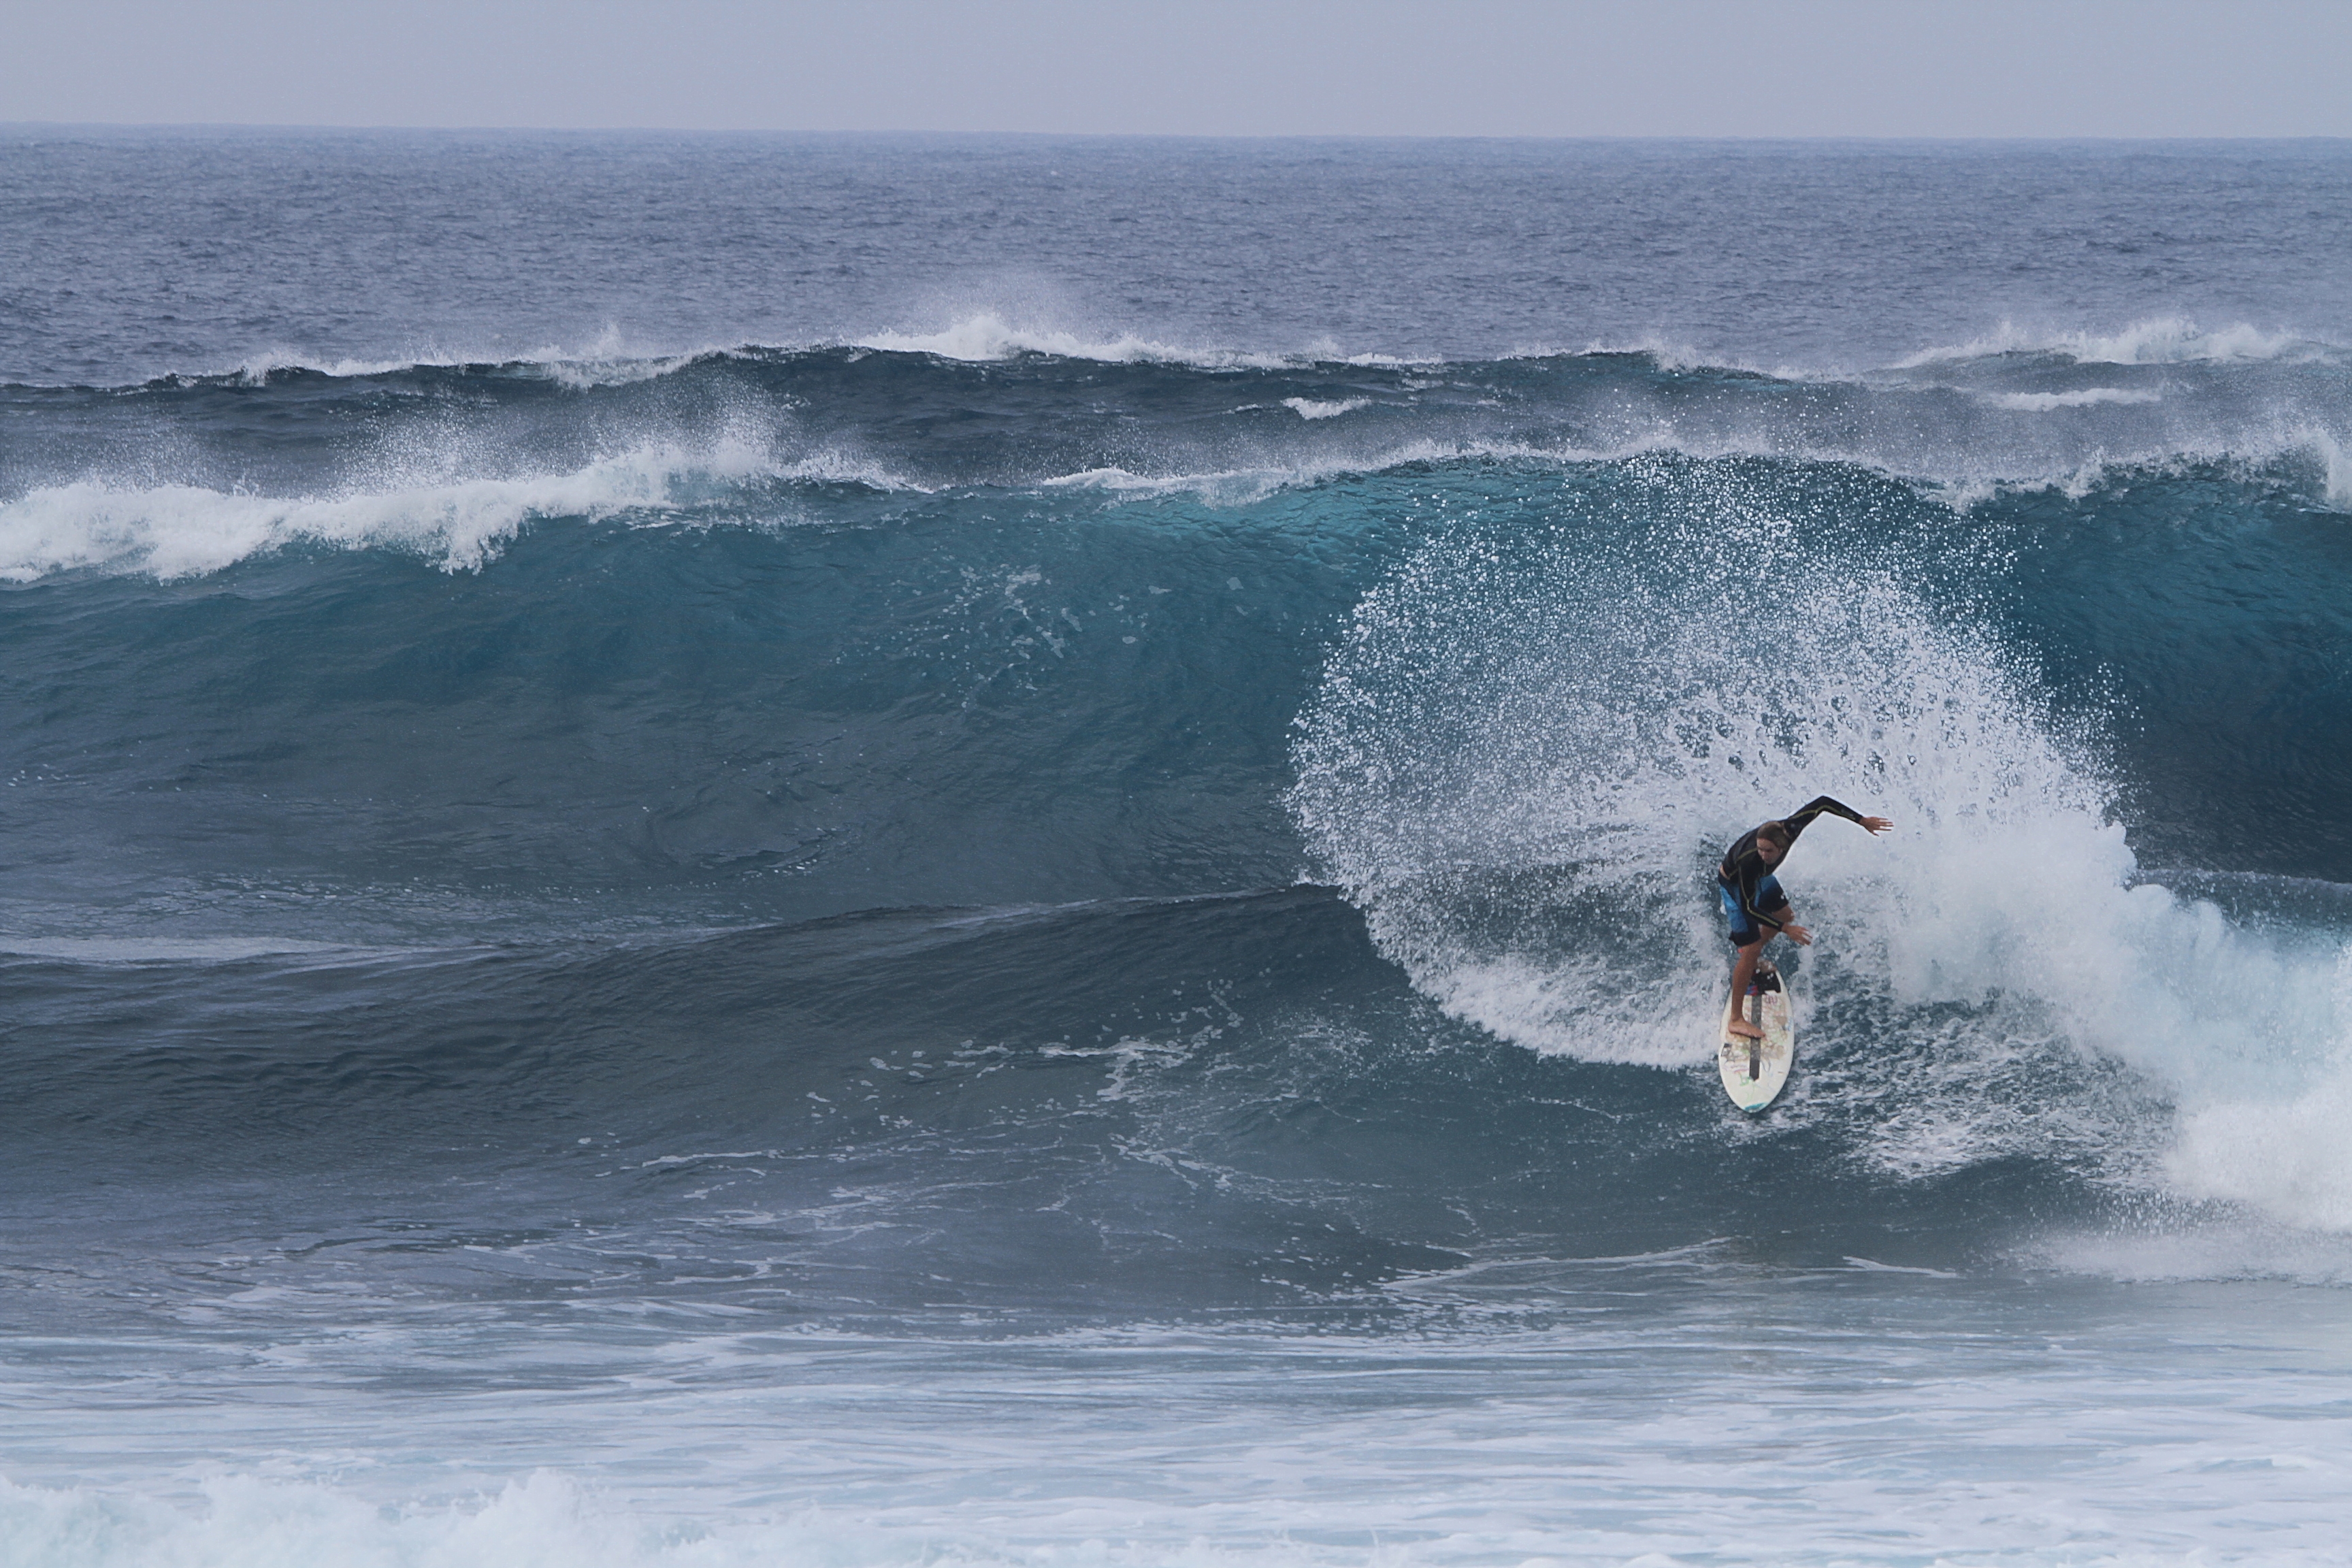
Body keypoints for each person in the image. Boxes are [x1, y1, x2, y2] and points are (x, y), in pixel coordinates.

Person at [1718, 796, 1894, 1039]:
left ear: (1783, 845)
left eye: (1768, 851)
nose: (1763, 854)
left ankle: (1749, 959)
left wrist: (1861, 820)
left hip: (1761, 878)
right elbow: (1748, 907)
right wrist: (1784, 930)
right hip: (1735, 884)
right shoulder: (1751, 861)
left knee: (1785, 914)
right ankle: (1736, 1019)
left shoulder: (1791, 828)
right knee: (1753, 946)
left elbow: (1822, 803)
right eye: (1760, 849)